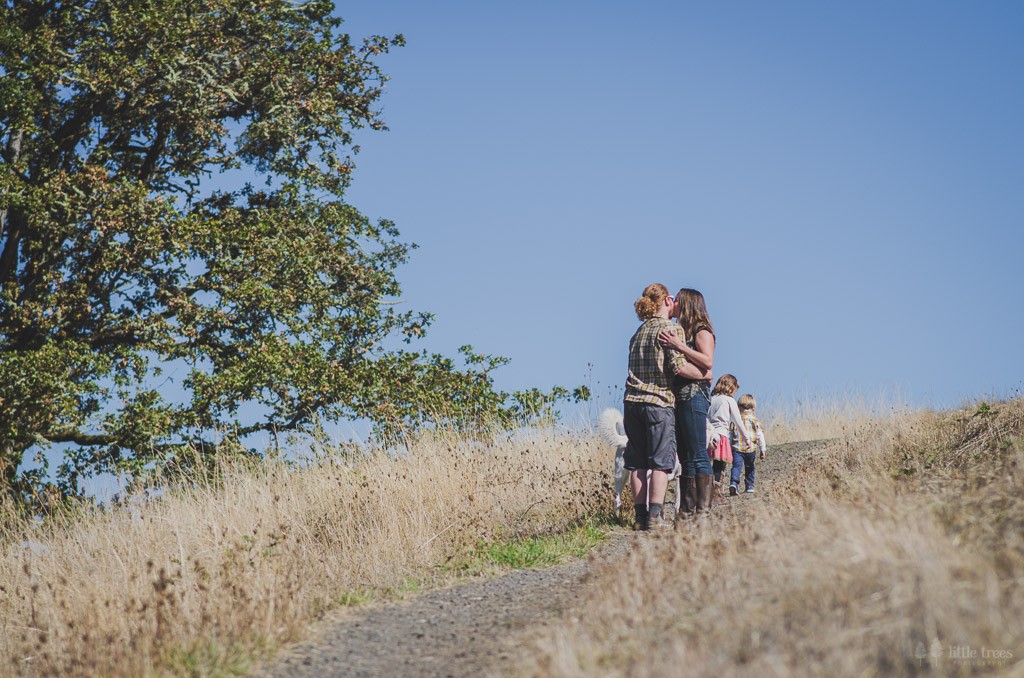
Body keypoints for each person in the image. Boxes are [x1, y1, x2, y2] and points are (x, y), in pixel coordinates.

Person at [622, 283, 709, 530]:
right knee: (661, 462)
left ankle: (639, 517)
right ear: (667, 301)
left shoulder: (638, 332)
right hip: (658, 401)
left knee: (638, 463)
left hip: (631, 401)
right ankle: (655, 516)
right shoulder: (671, 329)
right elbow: (678, 367)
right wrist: (705, 374)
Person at [657, 288, 716, 519]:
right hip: (680, 397)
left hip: (694, 395)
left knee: (698, 451)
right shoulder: (683, 330)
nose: (674, 304)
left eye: (678, 301)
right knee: (685, 455)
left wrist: (679, 346)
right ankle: (686, 511)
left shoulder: (702, 330)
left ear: (688, 304)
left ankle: (702, 511)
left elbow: (708, 361)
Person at [708, 374, 752, 495]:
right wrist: (746, 438)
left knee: (707, 464)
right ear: (730, 387)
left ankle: (705, 490)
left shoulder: (711, 399)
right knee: (719, 465)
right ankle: (716, 492)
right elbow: (738, 421)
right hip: (721, 435)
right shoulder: (729, 400)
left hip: (708, 435)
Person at [730, 393, 767, 495]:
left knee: (736, 466)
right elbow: (760, 436)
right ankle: (749, 485)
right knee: (750, 466)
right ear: (753, 408)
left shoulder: (735, 421)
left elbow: (730, 436)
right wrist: (763, 449)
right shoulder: (756, 421)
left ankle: (734, 483)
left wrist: (728, 448)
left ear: (738, 408)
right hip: (751, 449)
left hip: (737, 449)